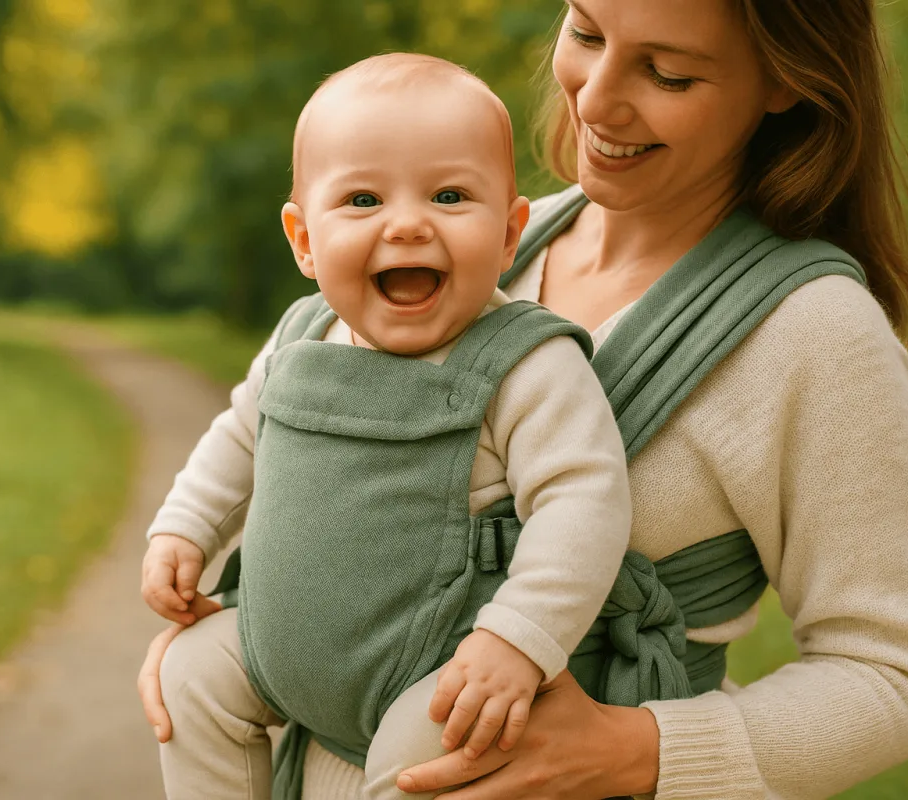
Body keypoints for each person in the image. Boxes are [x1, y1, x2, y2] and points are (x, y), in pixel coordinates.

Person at [139, 0, 908, 797]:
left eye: (667, 73)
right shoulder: (471, 246)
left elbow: (889, 681)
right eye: (586, 31)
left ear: (785, 80)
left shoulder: (816, 333)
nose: (595, 98)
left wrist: (637, 752)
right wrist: (255, 634)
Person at [139, 52, 636, 800]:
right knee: (190, 677)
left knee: (429, 762)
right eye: (363, 199)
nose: (407, 225)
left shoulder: (525, 363)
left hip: (441, 666)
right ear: (304, 240)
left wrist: (517, 640)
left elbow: (584, 502)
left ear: (509, 235)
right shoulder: (303, 336)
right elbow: (240, 438)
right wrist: (185, 528)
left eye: (448, 195)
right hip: (280, 647)